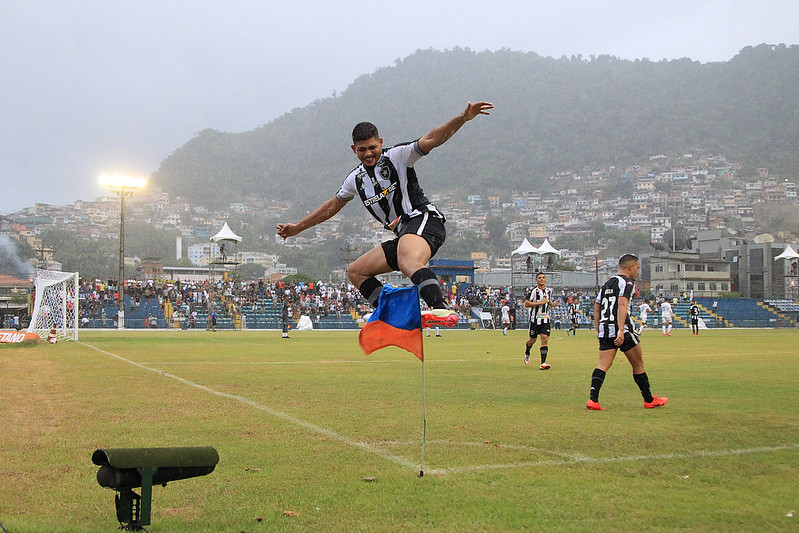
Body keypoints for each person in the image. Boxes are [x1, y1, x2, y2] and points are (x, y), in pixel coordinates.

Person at [277, 101, 493, 328]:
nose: (368, 153)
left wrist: (462, 118)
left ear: (380, 143)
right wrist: (297, 228)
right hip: (404, 235)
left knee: (407, 258)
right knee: (356, 271)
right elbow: (331, 207)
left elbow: (433, 138)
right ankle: (393, 313)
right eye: (362, 149)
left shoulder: (398, 156)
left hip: (424, 220)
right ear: (354, 150)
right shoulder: (355, 179)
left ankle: (440, 307)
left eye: (372, 147)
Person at [586, 254, 668, 411]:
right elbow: (622, 305)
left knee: (603, 365)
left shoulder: (607, 283)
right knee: (638, 364)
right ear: (631, 266)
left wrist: (599, 330)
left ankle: (593, 400)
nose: (638, 272)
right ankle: (649, 400)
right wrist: (621, 330)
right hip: (623, 330)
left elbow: (597, 308)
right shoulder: (627, 283)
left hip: (605, 329)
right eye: (637, 268)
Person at [524, 272, 556, 370]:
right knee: (532, 340)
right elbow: (527, 304)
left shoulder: (548, 291)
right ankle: (527, 352)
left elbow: (547, 302)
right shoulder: (534, 291)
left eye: (543, 278)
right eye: (540, 278)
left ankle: (543, 363)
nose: (542, 279)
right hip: (535, 320)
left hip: (545, 319)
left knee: (545, 339)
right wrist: (540, 303)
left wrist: (552, 304)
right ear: (536, 280)